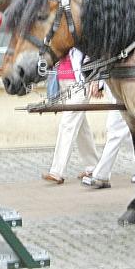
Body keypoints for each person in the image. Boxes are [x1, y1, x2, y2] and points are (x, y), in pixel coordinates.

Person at [43, 47, 99, 184]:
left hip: (80, 84)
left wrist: (95, 80)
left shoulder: (82, 29)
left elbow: (94, 54)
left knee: (67, 124)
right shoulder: (60, 30)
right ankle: (93, 167)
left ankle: (57, 171)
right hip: (64, 83)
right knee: (81, 128)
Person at [80, 83, 132, 189]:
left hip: (124, 91)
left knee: (115, 131)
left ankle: (101, 175)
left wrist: (98, 83)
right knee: (129, 134)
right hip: (118, 91)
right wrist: (98, 83)